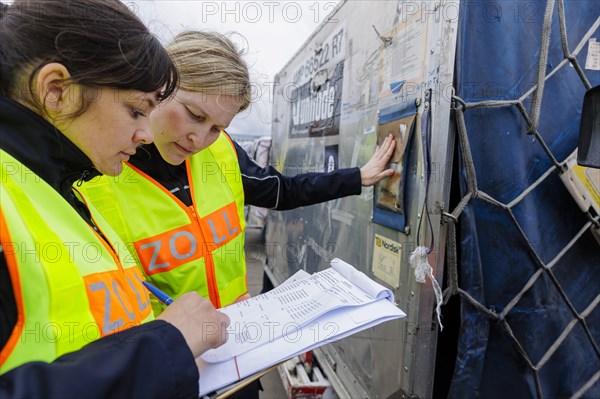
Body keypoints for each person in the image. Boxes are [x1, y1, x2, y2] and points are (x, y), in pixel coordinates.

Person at [0, 2, 228, 398]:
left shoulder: (59, 187)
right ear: (56, 90)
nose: (145, 134)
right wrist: (166, 343)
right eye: (137, 111)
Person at [81, 29, 396, 311]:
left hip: (237, 338)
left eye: (217, 127)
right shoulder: (92, 181)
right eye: (194, 114)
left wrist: (357, 177)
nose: (200, 139)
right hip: (170, 363)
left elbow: (281, 190)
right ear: (157, 86)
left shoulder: (221, 151)